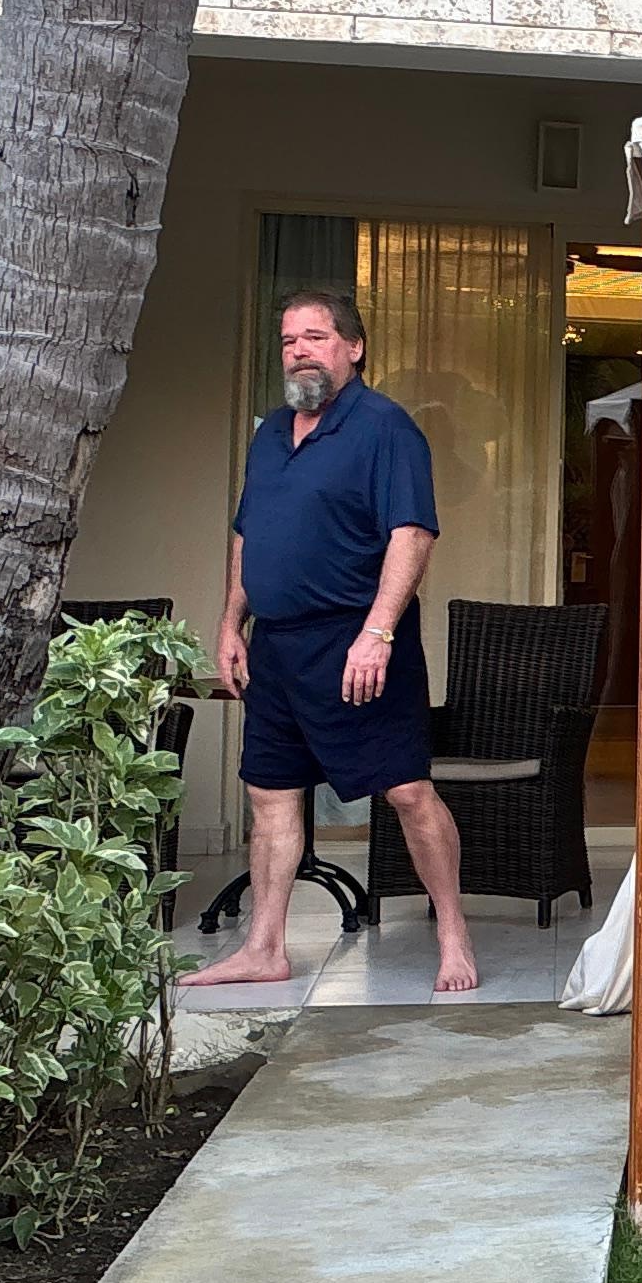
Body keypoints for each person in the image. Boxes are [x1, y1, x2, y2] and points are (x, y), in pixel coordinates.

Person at [183, 289, 481, 995]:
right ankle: (265, 946)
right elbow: (248, 533)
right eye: (289, 340)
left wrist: (378, 633)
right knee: (271, 794)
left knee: (407, 789)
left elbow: (412, 534)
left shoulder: (386, 429)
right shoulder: (270, 433)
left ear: (354, 347)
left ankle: (453, 932)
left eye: (316, 337)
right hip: (278, 647)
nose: (300, 350)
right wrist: (231, 622)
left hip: (358, 643)